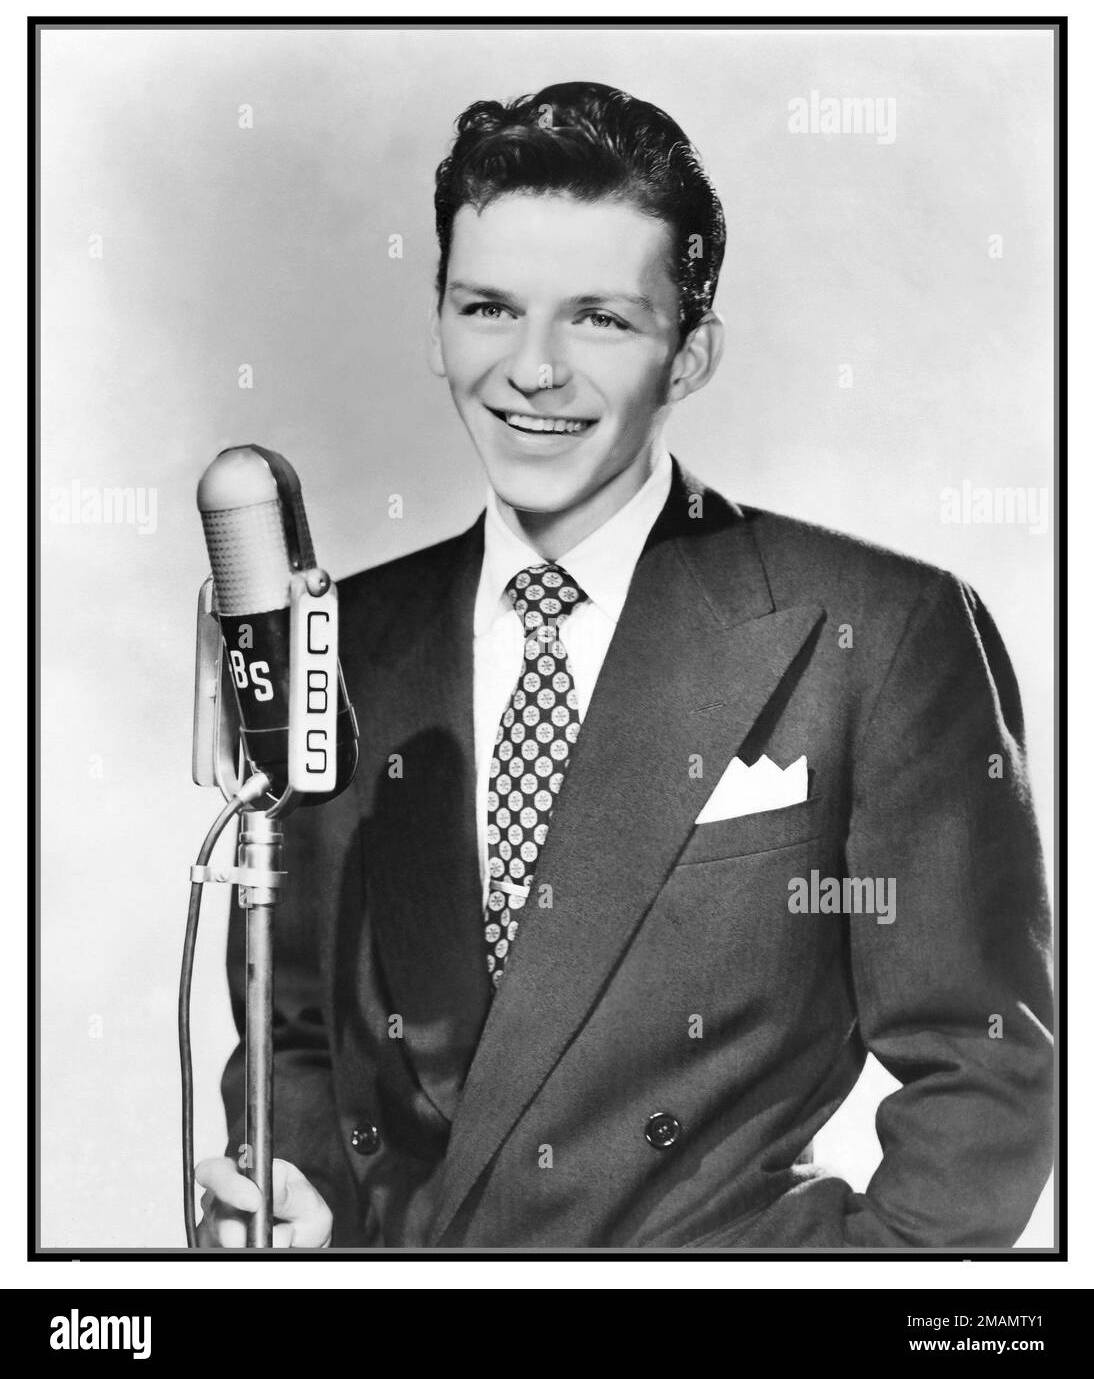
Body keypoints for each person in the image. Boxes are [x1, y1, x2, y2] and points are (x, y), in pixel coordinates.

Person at [196, 80, 1053, 1249]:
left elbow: (982, 1068)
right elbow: (296, 1029)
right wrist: (293, 1188)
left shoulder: (878, 630)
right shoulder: (337, 640)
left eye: (597, 318)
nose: (530, 370)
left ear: (688, 352)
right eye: (488, 308)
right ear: (436, 323)